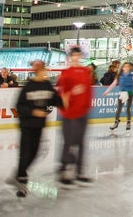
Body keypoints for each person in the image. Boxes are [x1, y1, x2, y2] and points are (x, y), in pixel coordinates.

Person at [13, 60, 60, 196]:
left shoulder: (47, 85)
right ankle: (22, 180)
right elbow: (19, 106)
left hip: (39, 126)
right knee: (25, 153)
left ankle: (20, 173)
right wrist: (33, 112)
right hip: (27, 125)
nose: (46, 73)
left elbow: (55, 100)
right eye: (44, 70)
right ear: (39, 71)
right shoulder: (28, 87)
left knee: (34, 153)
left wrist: (66, 98)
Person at [55, 46, 93, 185]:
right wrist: (72, 94)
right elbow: (62, 95)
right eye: (74, 55)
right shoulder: (66, 73)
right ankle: (64, 169)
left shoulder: (85, 71)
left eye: (78, 55)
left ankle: (79, 171)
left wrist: (87, 107)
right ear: (70, 57)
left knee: (81, 142)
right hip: (70, 114)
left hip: (83, 112)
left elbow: (88, 91)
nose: (76, 57)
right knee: (68, 142)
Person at [103, 62, 133, 132]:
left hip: (130, 92)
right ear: (122, 67)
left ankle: (128, 122)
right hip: (122, 93)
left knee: (128, 108)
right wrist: (107, 91)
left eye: (128, 66)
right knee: (119, 108)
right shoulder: (119, 75)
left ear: (130, 67)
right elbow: (114, 83)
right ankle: (116, 122)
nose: (126, 68)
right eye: (125, 66)